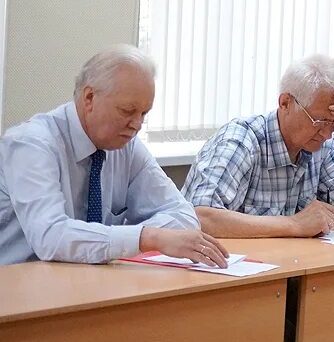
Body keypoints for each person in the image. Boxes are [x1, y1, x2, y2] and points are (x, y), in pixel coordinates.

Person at [0, 46, 227, 267]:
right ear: (89, 98)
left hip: (93, 284)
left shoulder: (126, 146)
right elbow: (50, 237)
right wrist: (146, 238)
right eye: (127, 111)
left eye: (144, 113)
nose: (137, 124)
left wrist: (141, 238)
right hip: (19, 288)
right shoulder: (31, 144)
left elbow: (183, 215)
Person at [182, 54, 334, 238]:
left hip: (287, 267)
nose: (328, 133)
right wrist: (293, 224)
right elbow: (201, 218)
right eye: (320, 122)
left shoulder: (323, 146)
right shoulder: (241, 140)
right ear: (285, 103)